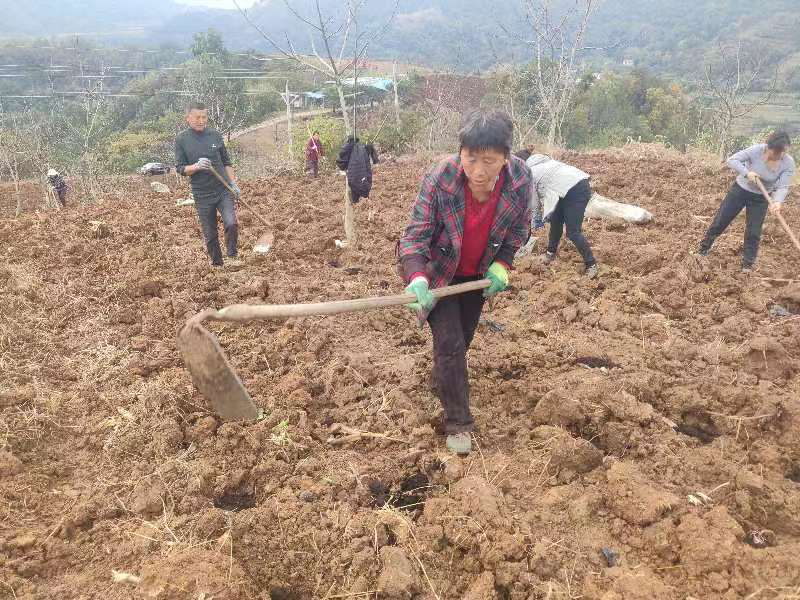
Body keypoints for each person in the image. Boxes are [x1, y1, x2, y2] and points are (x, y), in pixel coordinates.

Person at [397, 109, 532, 455]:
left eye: (489, 160)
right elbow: (415, 236)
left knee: (463, 338)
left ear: (505, 157)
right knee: (452, 342)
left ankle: (443, 378)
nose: (478, 170)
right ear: (461, 152)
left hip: (476, 276)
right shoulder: (441, 177)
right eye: (471, 158)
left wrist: (503, 264)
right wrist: (416, 278)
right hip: (440, 274)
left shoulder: (520, 178)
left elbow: (520, 228)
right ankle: (458, 421)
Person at [698, 131, 795, 273]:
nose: (778, 155)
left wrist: (777, 202)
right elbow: (732, 160)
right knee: (721, 220)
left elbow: (783, 186)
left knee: (754, 231)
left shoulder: (787, 162)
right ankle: (703, 249)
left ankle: (747, 265)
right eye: (775, 152)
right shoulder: (756, 150)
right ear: (768, 147)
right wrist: (747, 173)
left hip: (761, 197)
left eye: (781, 153)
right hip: (740, 190)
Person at [175, 101, 242, 267]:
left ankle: (232, 256)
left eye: (204, 117)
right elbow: (181, 168)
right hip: (202, 194)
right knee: (210, 234)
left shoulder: (215, 135)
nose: (201, 120)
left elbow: (227, 162)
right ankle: (217, 264)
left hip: (223, 189)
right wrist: (196, 166)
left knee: (231, 223)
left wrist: (233, 184)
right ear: (188, 118)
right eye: (197, 117)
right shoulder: (181, 139)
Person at [526, 153, 599, 279]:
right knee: (555, 222)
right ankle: (550, 254)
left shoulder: (530, 173)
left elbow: (534, 202)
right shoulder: (549, 163)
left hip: (575, 191)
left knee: (573, 231)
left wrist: (536, 221)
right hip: (571, 187)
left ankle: (591, 264)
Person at [336, 136, 379, 203]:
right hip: (361, 178)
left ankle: (355, 200)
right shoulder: (363, 148)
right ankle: (356, 199)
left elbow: (340, 162)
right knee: (360, 184)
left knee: (357, 184)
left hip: (356, 178)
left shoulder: (350, 148)